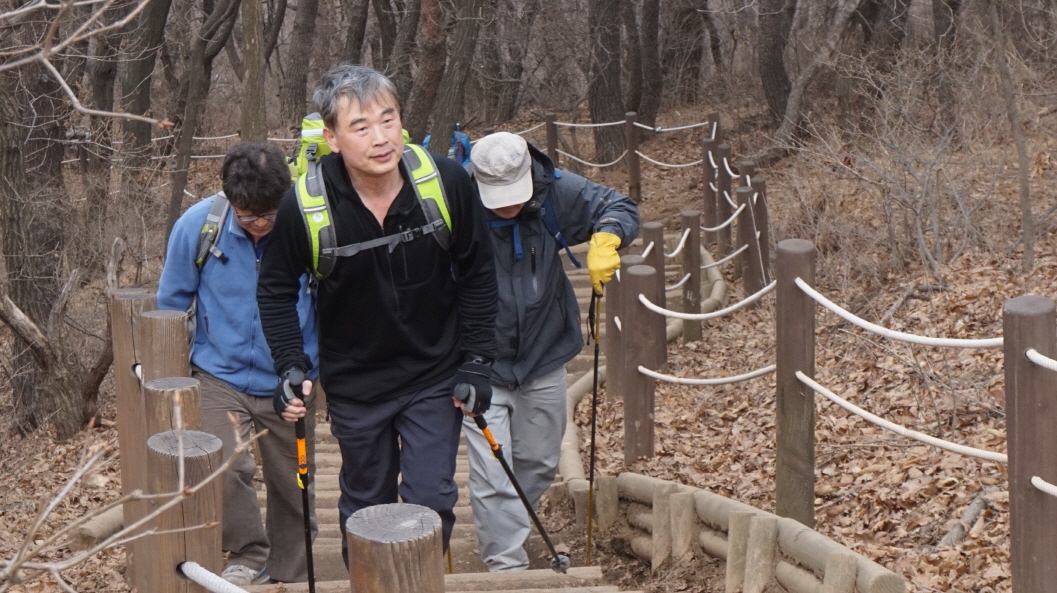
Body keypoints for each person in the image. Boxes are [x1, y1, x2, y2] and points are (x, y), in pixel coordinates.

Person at [256, 64, 498, 561]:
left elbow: (478, 272)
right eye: (361, 127)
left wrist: (477, 361)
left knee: (432, 500)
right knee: (367, 506)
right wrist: (290, 364)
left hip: (434, 372)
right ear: (332, 138)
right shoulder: (305, 206)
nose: (381, 138)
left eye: (388, 119)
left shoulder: (445, 183)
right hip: (355, 382)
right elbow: (276, 290)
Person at [464, 132, 639, 571]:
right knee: (493, 471)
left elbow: (619, 206)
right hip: (479, 362)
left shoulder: (555, 190)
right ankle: (507, 568)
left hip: (545, 353)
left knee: (540, 462)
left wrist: (608, 237)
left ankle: (509, 530)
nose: (507, 205)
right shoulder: (456, 201)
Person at [157, 143, 320, 586]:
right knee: (224, 467)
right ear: (230, 201)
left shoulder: (307, 227)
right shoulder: (198, 226)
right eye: (249, 217)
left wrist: (314, 370)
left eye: (270, 214)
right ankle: (248, 552)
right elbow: (171, 302)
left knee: (293, 483)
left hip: (291, 376)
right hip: (218, 374)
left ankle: (292, 570)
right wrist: (171, 376)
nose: (261, 224)